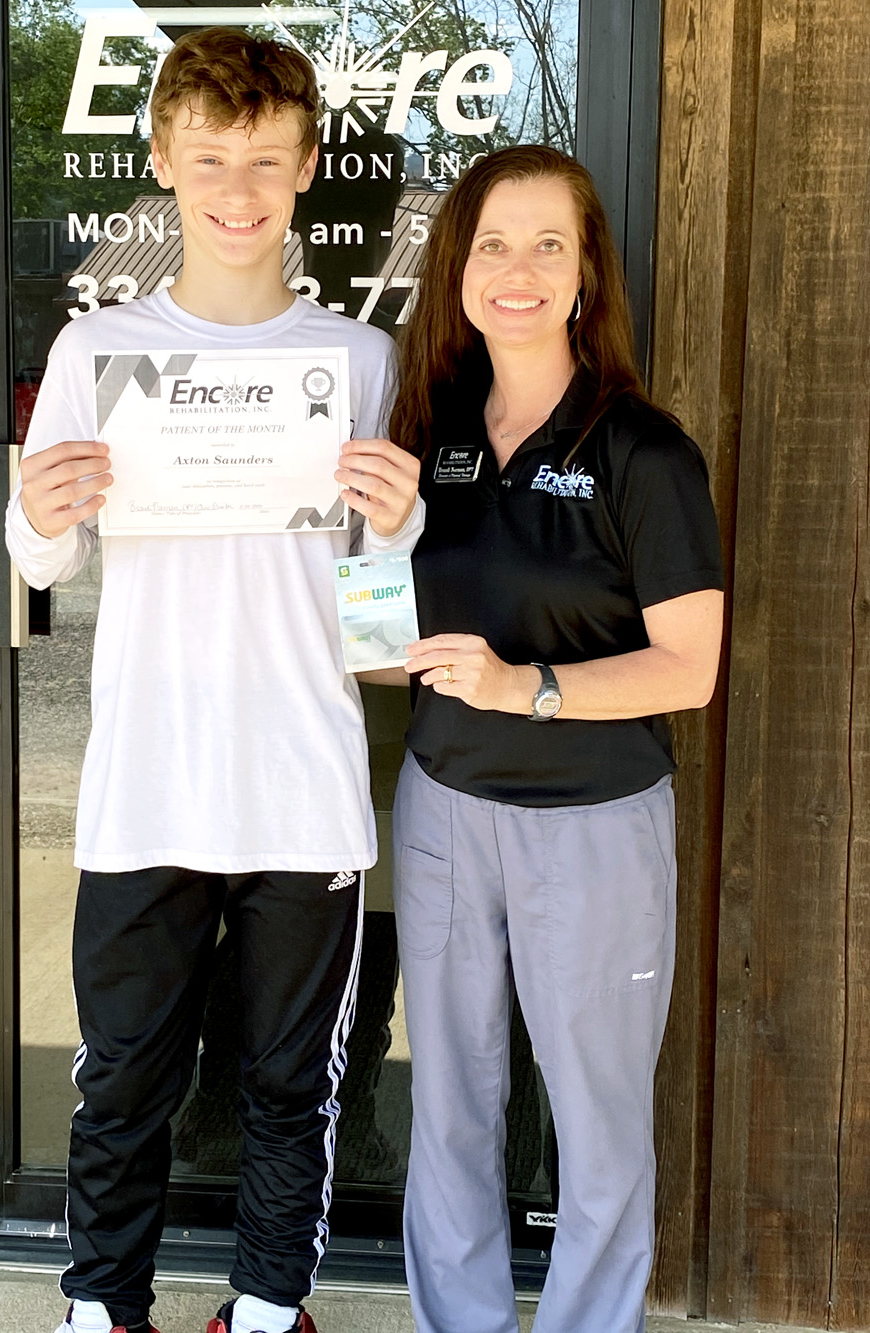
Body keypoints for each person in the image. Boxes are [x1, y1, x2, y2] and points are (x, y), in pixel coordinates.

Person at [5, 28, 421, 1333]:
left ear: (305, 167)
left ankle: (263, 1307)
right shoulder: (97, 353)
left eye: (263, 159)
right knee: (123, 1074)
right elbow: (43, 560)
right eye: (209, 160)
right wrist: (34, 510)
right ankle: (99, 1310)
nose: (237, 190)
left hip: (302, 788)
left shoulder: (356, 361)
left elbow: (376, 624)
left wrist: (397, 530)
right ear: (163, 165)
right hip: (147, 782)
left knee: (294, 1085)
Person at [386, 145, 724, 1333]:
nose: (515, 270)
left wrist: (525, 685)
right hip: (443, 811)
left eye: (546, 245)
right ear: (459, 270)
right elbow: (387, 643)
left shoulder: (643, 450)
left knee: (596, 1117)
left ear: (586, 276)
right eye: (490, 243)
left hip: (593, 826)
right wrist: (356, 576)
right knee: (453, 1112)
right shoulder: (423, 432)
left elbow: (690, 666)